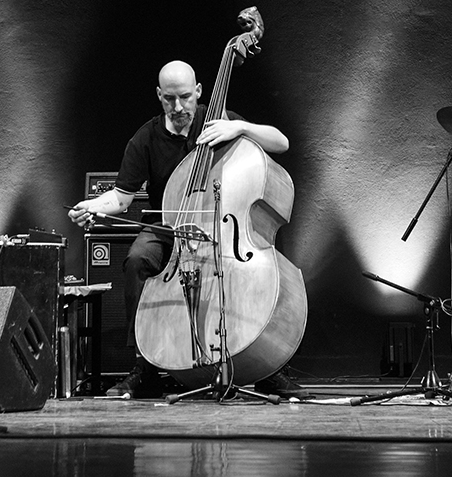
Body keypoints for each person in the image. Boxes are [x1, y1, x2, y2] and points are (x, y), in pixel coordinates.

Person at [68, 59, 302, 399]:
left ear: (198, 92)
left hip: (221, 228)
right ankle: (144, 367)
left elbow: (281, 142)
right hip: (169, 228)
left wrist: (240, 129)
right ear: (159, 96)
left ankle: (268, 367)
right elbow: (119, 199)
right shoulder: (146, 138)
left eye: (185, 98)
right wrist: (91, 207)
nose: (178, 107)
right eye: (169, 100)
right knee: (136, 259)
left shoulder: (219, 121)